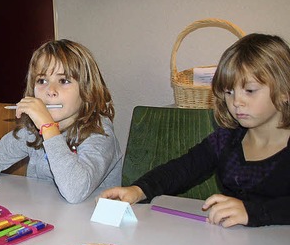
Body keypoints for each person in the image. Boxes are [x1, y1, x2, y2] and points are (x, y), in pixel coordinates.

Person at [100, 33, 290, 227]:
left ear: (284, 92)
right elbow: (182, 169)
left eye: (249, 90)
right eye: (229, 92)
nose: (236, 102)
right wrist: (139, 190)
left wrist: (253, 212)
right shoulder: (226, 140)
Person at [0, 39, 122, 203]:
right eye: (42, 81)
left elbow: (75, 191)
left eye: (64, 81)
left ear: (87, 90)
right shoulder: (31, 131)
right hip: (48, 221)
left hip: (92, 227)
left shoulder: (100, 133)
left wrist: (48, 127)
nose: (50, 91)